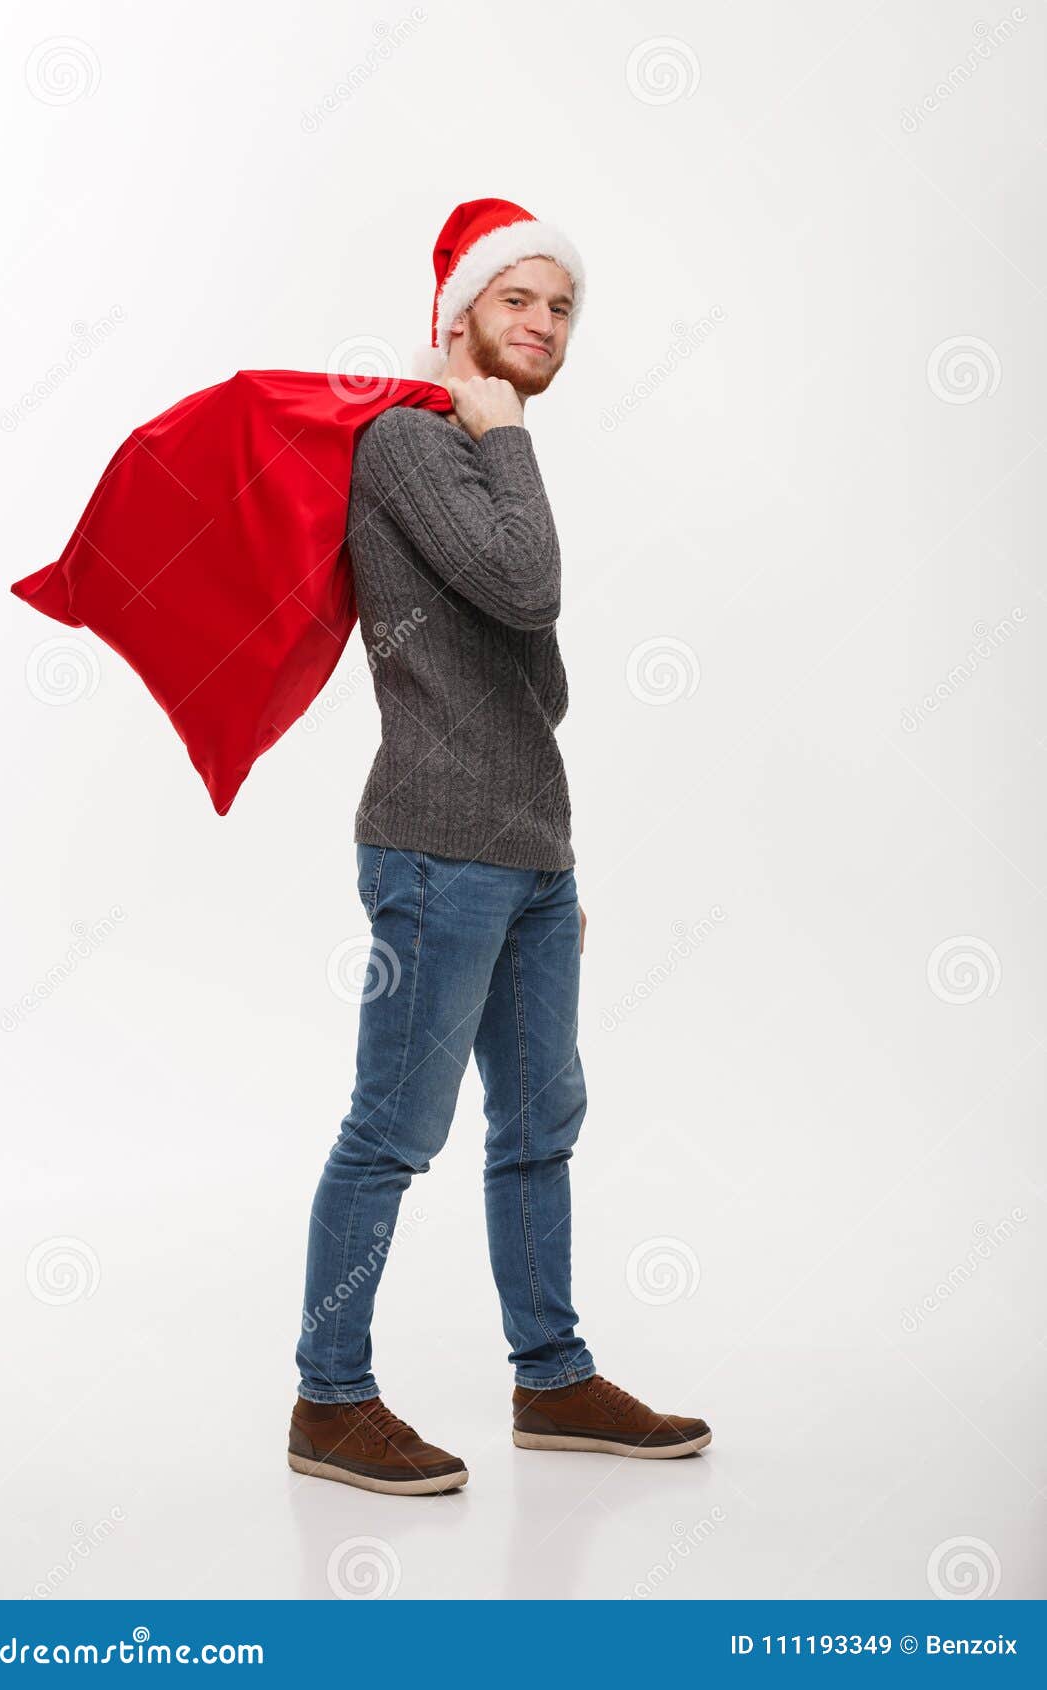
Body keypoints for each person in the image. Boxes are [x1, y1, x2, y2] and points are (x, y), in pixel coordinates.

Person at [289, 199, 711, 1495]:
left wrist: (546, 859)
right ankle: (330, 1397)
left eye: (563, 307)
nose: (542, 323)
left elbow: (544, 681)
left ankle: (554, 1375)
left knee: (539, 1121)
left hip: (524, 855)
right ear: (461, 313)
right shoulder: (415, 443)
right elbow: (531, 595)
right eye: (518, 299)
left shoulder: (475, 454)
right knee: (394, 1126)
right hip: (435, 850)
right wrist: (509, 443)